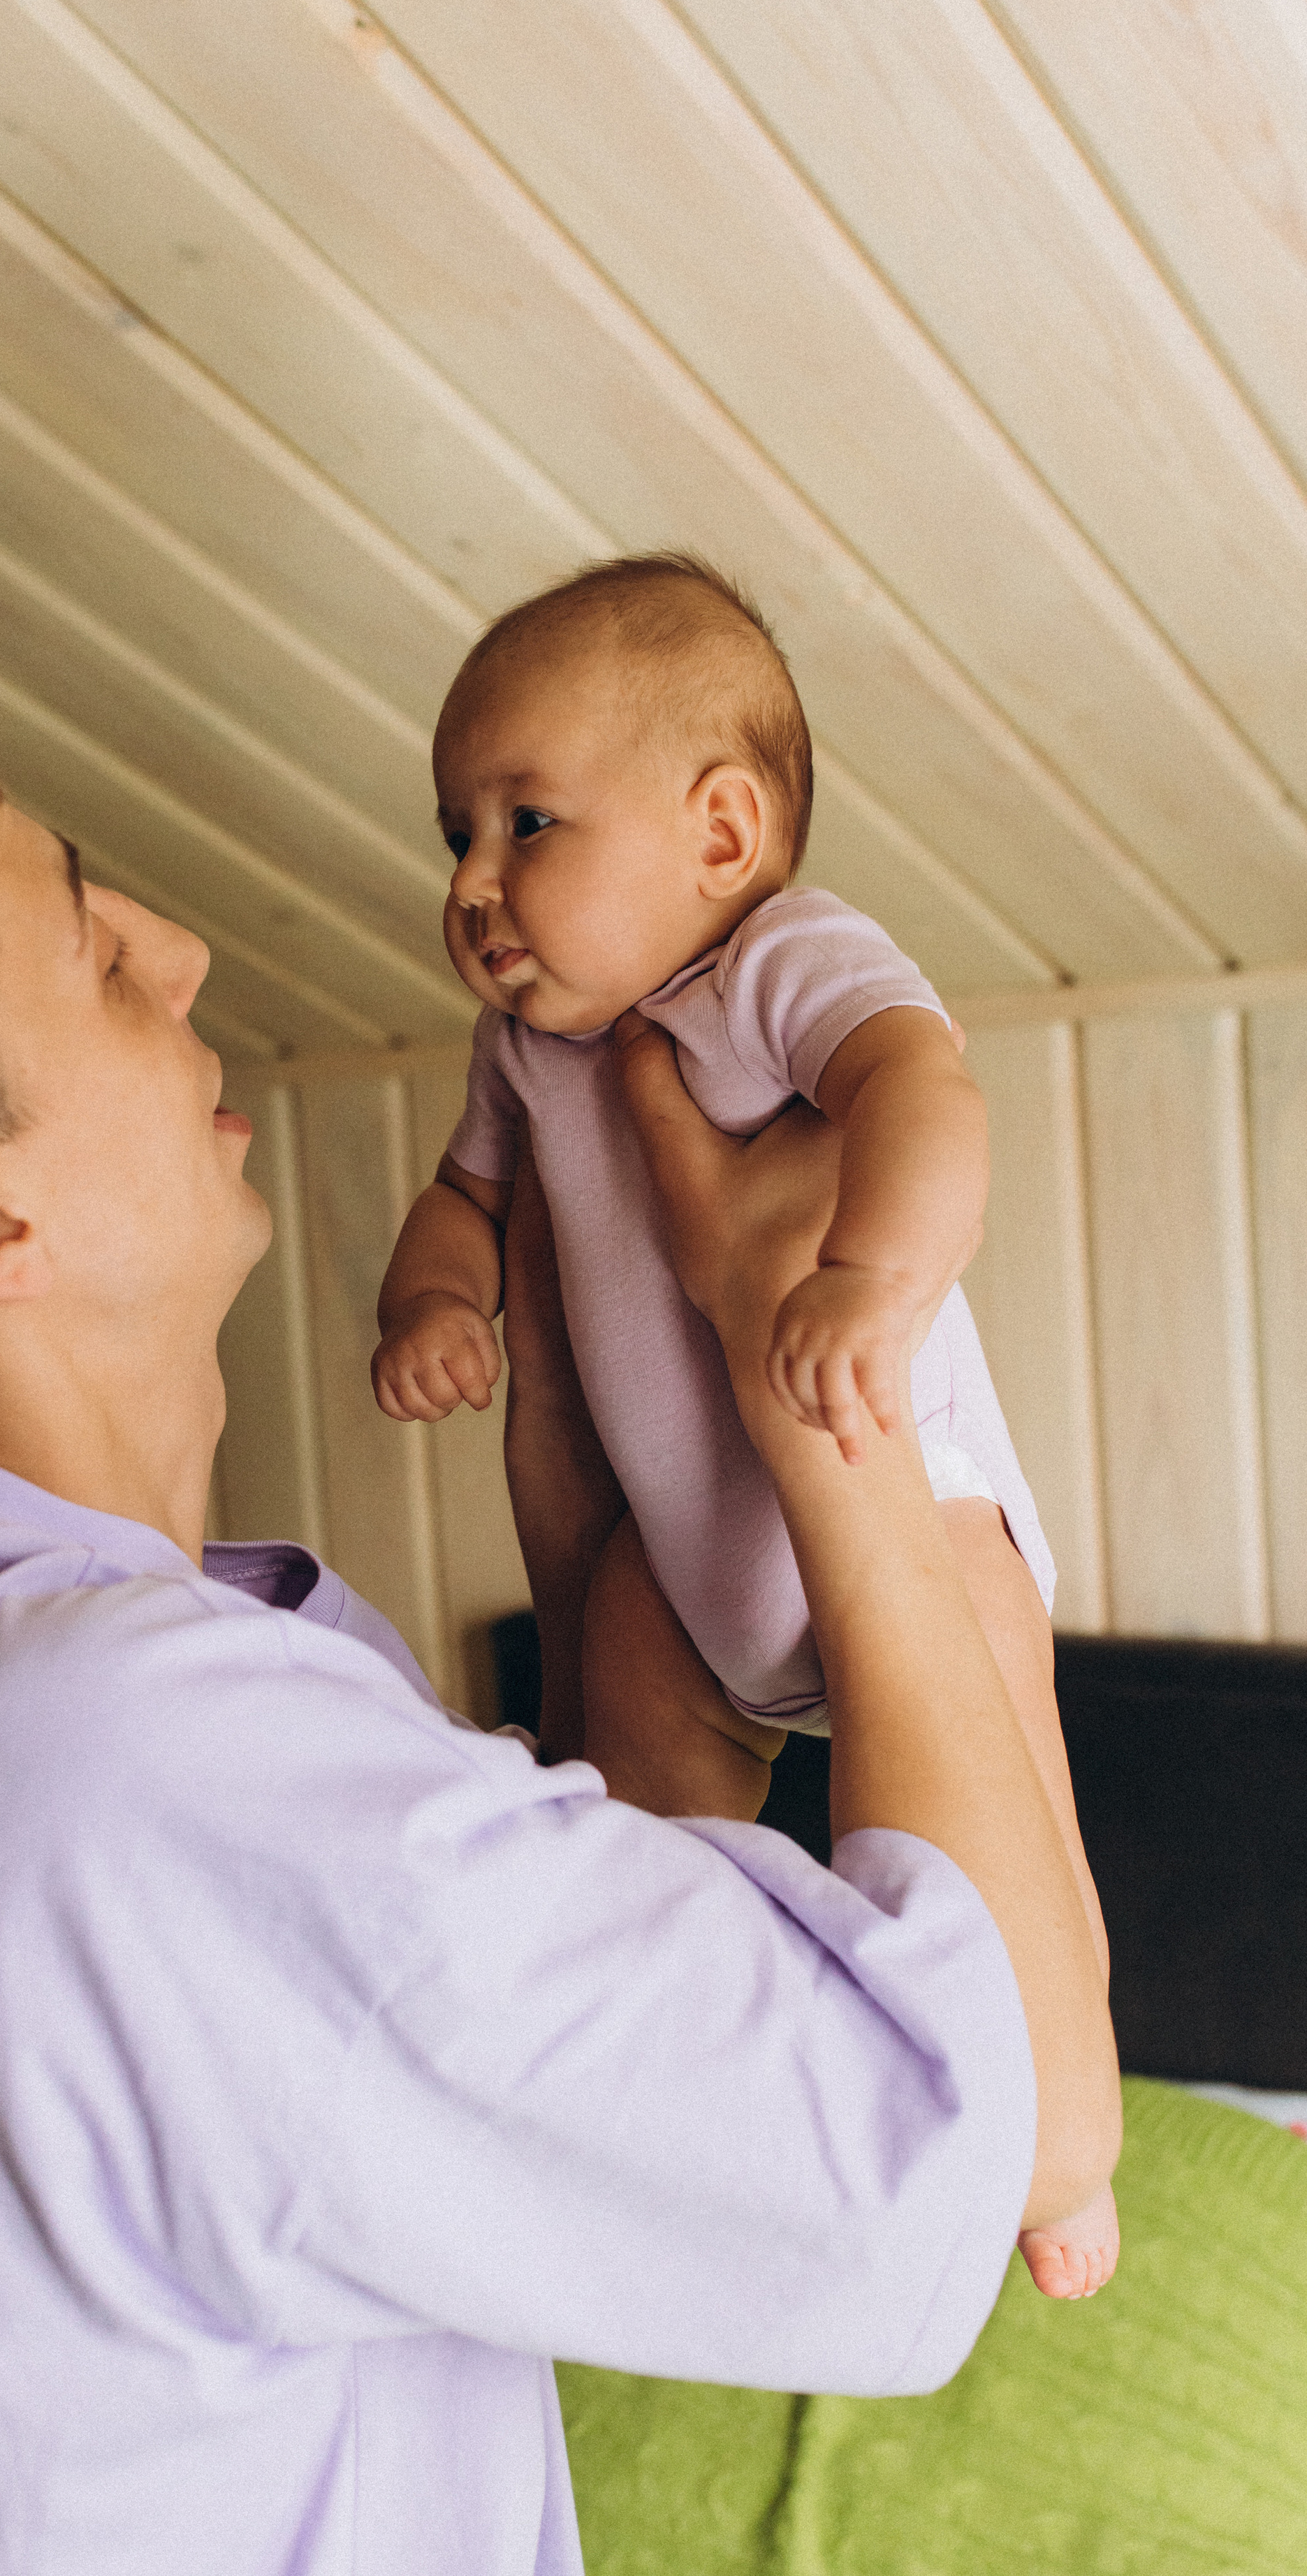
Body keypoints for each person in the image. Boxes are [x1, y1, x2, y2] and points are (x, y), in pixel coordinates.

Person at [0, 713, 1118, 2576]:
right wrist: (817, 1391)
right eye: (98, 958)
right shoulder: (138, 1768)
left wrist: (600, 1501)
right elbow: (980, 2133)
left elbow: (481, 1962)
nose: (188, 953)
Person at [373, 554, 1118, 2300]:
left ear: (720, 832)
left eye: (526, 822)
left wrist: (867, 1274)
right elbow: (457, 1203)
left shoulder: (778, 961)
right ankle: (653, 2109)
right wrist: (435, 1302)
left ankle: (1053, 2154)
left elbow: (923, 1093)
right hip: (679, 1584)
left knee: (1017, 1839)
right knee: (630, 1845)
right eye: (453, 834)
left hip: (912, 1523)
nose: (474, 884)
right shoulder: (523, 1052)